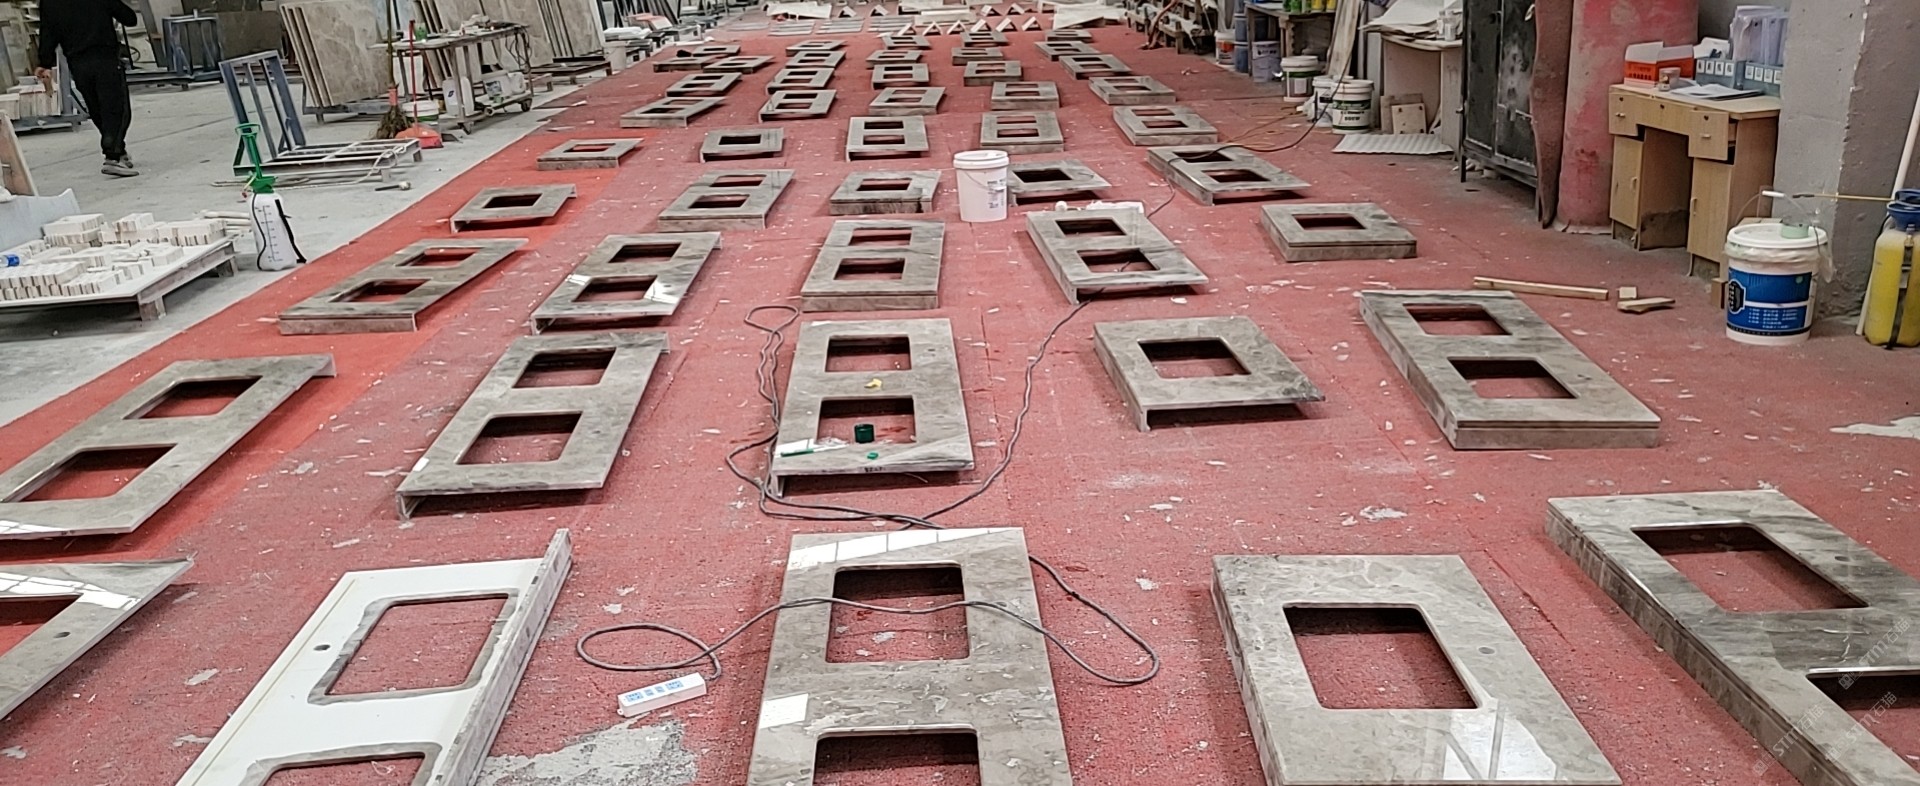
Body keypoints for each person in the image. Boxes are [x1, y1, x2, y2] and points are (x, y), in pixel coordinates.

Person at [35, 0, 139, 178]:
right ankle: (112, 156)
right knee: (116, 108)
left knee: (96, 107)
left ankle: (118, 151)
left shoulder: (49, 2)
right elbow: (130, 19)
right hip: (105, 58)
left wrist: (44, 63)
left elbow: (48, 32)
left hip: (78, 64)